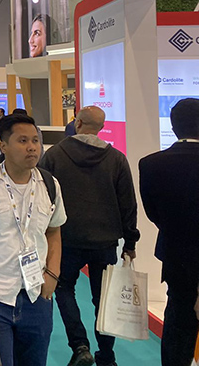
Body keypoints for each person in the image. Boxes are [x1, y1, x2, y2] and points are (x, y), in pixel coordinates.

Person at [0, 114, 66, 366]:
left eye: (35, 140)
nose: (32, 147)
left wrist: (52, 275)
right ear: (4, 146)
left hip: (36, 296)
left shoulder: (49, 185)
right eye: (23, 141)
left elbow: (54, 232)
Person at [39, 106, 139, 366]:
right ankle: (107, 355)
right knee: (104, 299)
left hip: (66, 238)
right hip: (105, 241)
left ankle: (79, 345)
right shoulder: (116, 159)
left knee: (63, 288)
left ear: (77, 123)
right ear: (102, 128)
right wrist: (130, 242)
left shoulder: (54, 155)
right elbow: (128, 203)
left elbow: (42, 196)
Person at [140, 98, 199, 366]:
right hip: (179, 252)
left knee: (177, 318)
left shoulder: (151, 164)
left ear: (174, 127)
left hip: (176, 254)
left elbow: (153, 213)